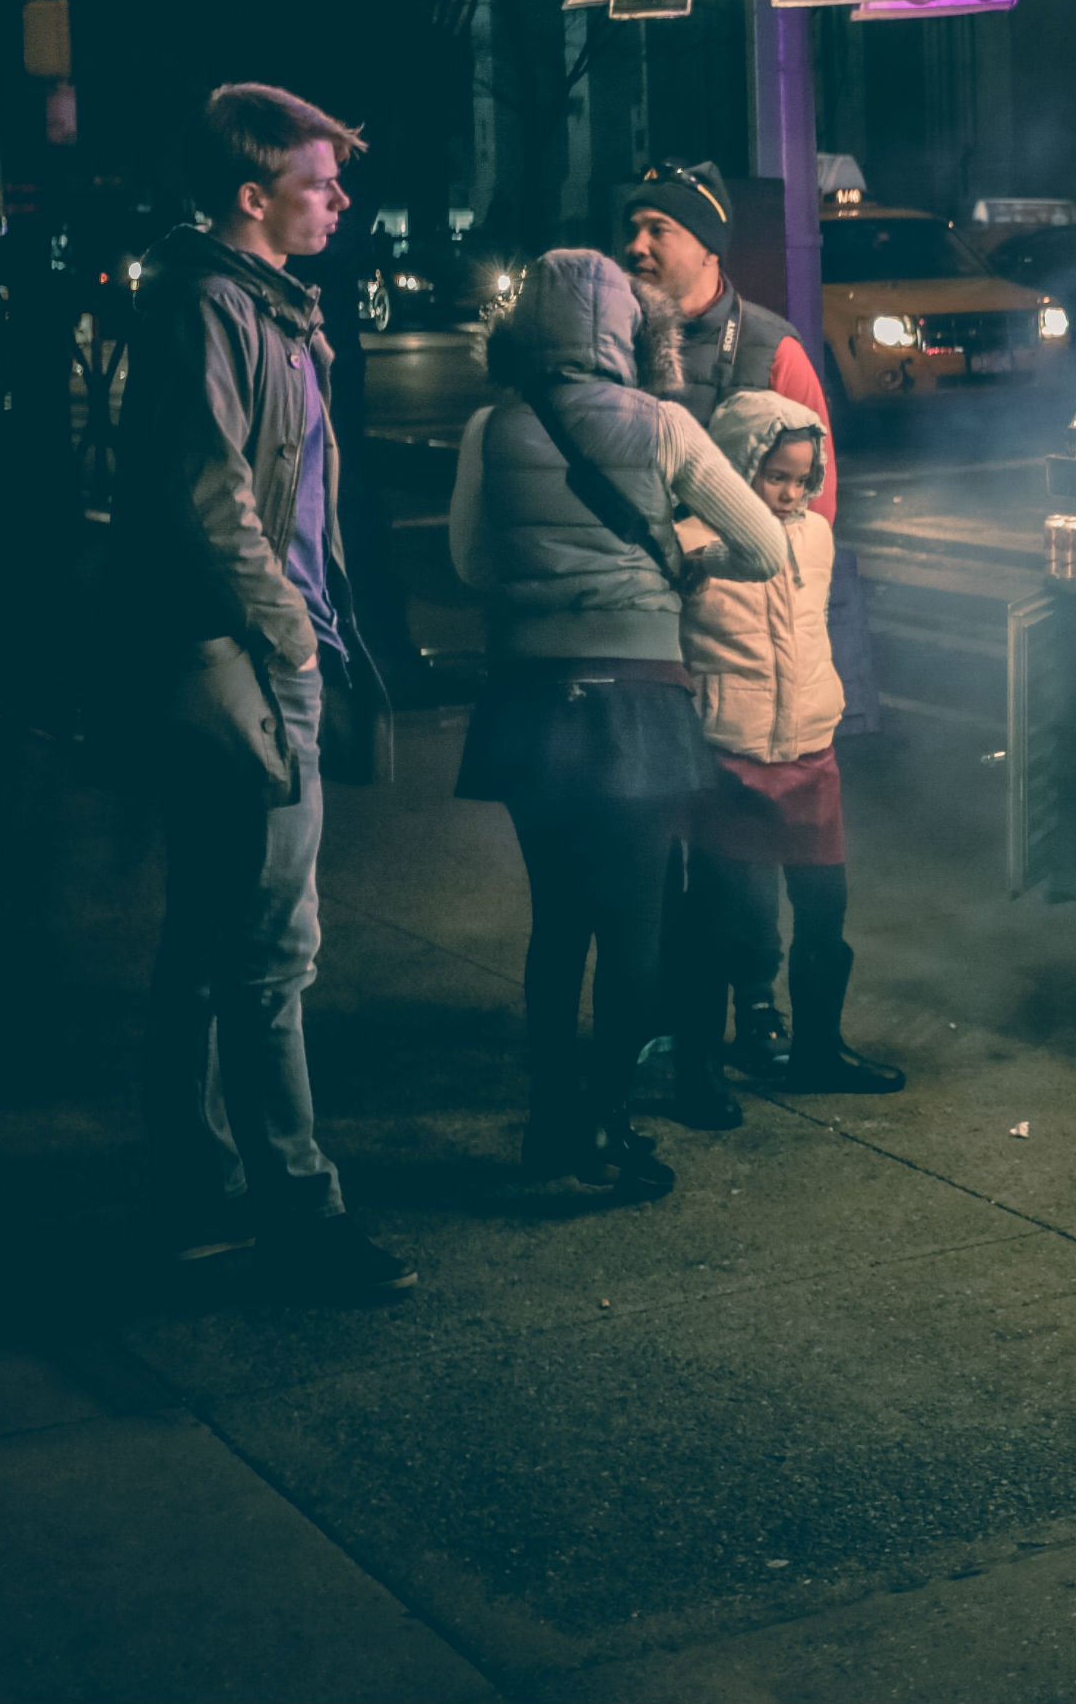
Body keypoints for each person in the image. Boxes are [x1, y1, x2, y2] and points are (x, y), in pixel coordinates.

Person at [113, 84, 412, 1299]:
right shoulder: (214, 304)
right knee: (271, 947)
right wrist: (293, 644)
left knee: (206, 935)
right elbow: (213, 497)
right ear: (253, 196)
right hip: (243, 663)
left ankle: (196, 1182)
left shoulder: (267, 308)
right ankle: (298, 1203)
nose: (339, 199)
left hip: (242, 656)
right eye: (317, 181)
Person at [450, 250, 788, 1198]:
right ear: (631, 334)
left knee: (554, 925)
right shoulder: (665, 426)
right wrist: (681, 547)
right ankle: (607, 1122)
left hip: (528, 698)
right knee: (635, 927)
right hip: (639, 697)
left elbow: (470, 564)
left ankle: (550, 1126)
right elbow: (764, 545)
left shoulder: (490, 426)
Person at [621, 158, 861, 1074]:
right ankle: (673, 1028)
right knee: (678, 860)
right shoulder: (623, 340)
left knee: (752, 858)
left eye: (657, 228)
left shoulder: (774, 347)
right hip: (657, 631)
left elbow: (817, 495)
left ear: (706, 242)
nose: (637, 246)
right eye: (632, 228)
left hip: (747, 644)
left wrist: (732, 554)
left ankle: (759, 1013)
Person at [664, 392, 902, 1129]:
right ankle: (699, 1066)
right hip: (730, 752)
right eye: (775, 476)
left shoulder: (819, 537)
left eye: (804, 478)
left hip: (808, 746)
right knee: (720, 923)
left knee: (825, 911)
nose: (792, 492)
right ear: (735, 469)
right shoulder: (691, 541)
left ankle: (818, 1049)